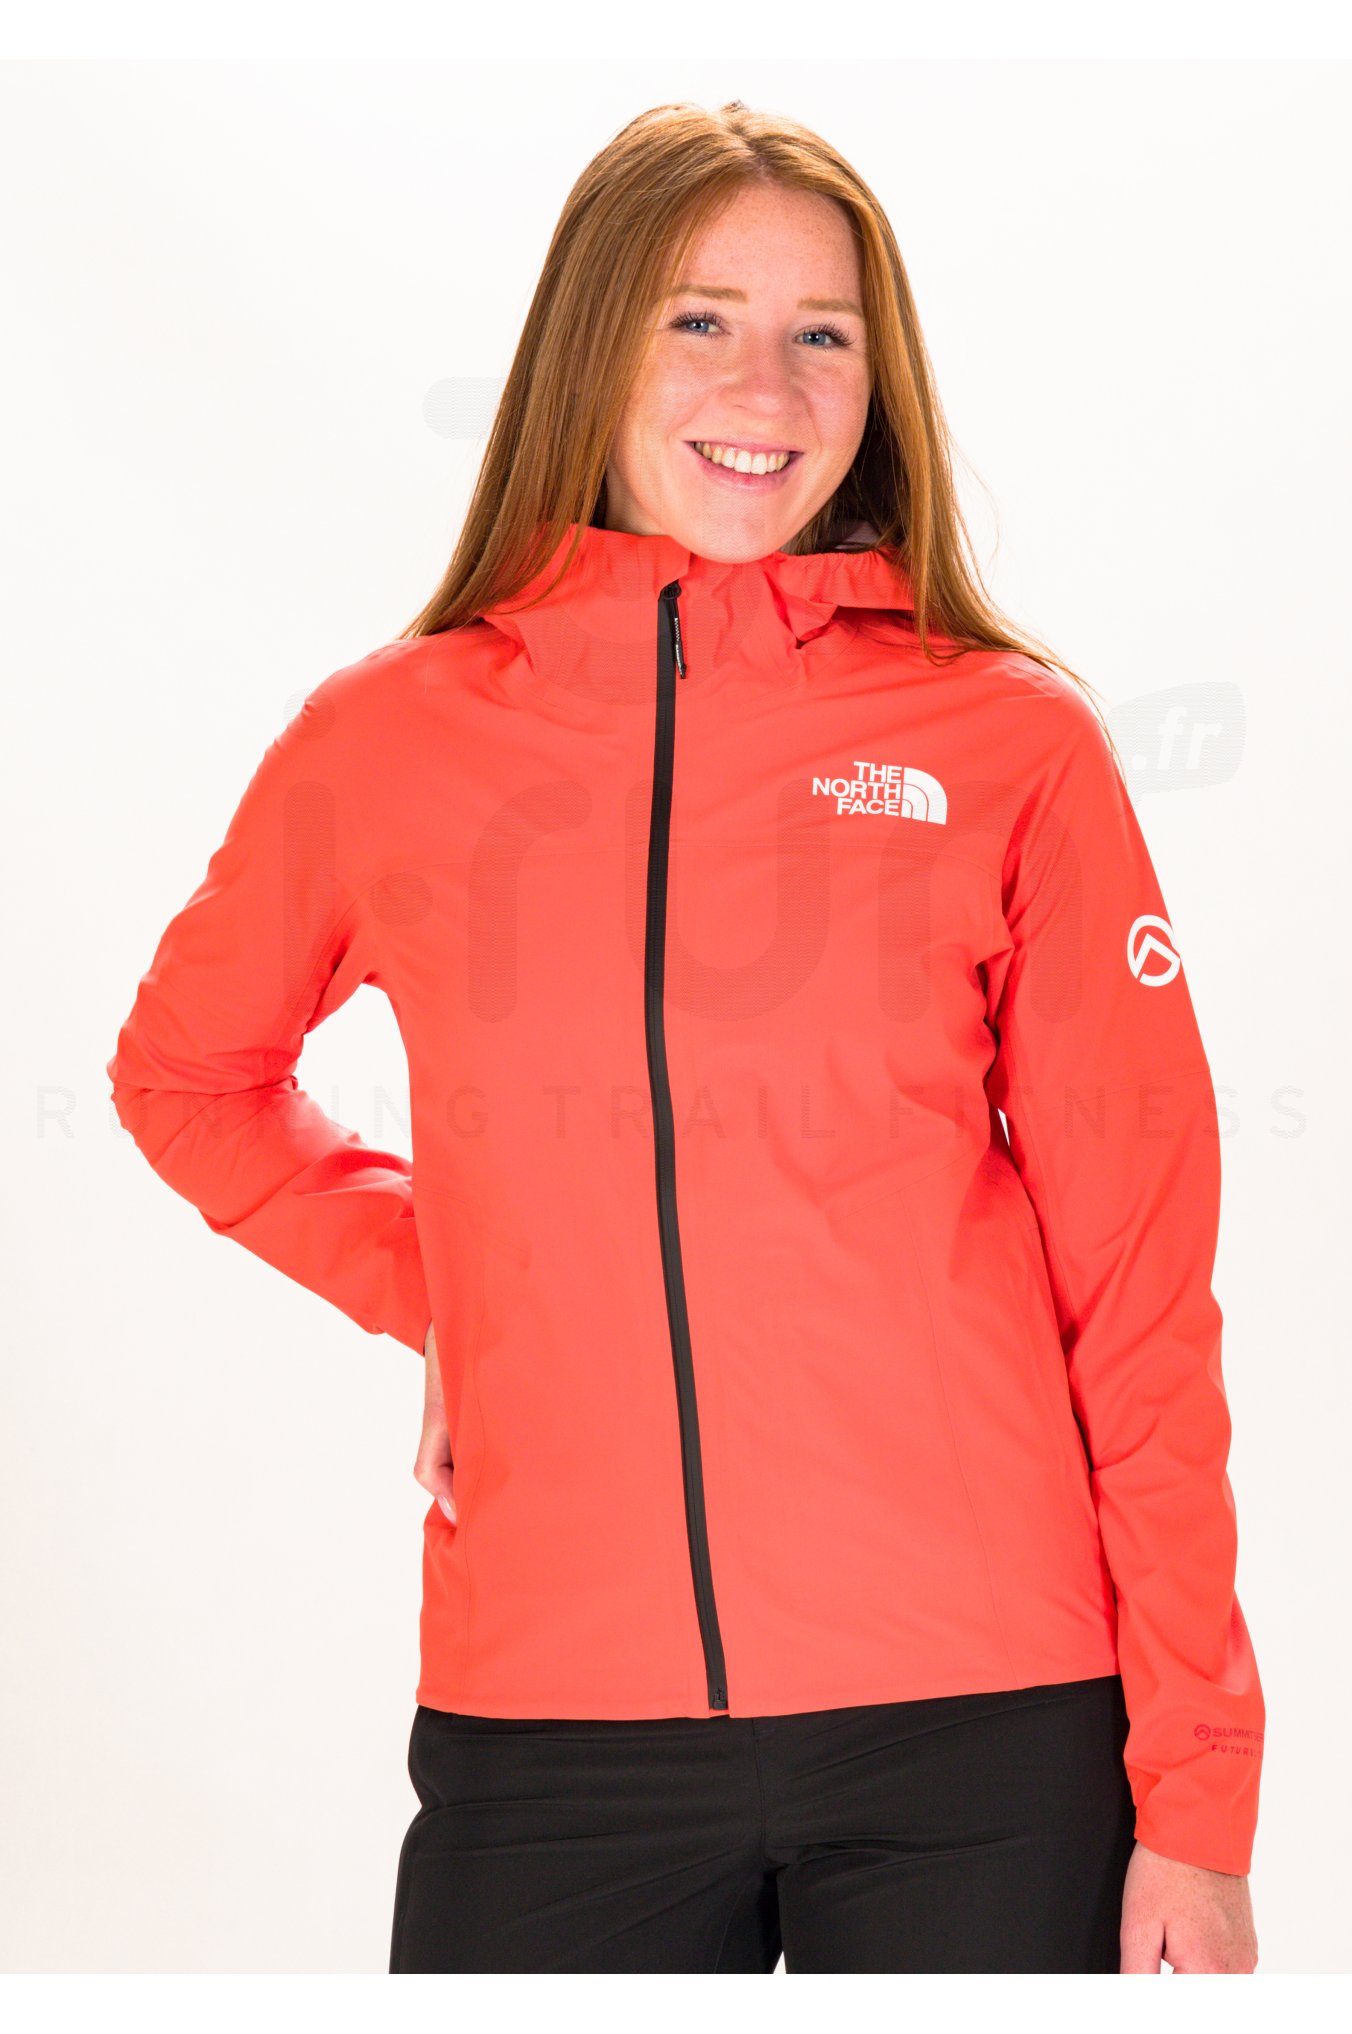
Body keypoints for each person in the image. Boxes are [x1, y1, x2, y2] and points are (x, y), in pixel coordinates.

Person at [106, 99, 1265, 1973]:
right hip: (554, 1728)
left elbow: (1140, 1294)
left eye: (824, 333)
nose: (767, 387)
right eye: (700, 318)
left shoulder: (1009, 743)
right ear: (594, 344)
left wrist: (1197, 1805)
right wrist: (462, 1290)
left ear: (879, 381)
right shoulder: (387, 742)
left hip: (989, 1724)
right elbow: (186, 1076)